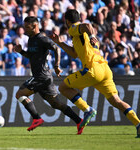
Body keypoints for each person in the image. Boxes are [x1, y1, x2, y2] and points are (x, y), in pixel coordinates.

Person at [50, 9, 140, 138]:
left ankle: (87, 110)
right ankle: (138, 124)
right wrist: (59, 43)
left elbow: (87, 25)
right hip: (105, 70)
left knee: (63, 87)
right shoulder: (81, 35)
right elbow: (74, 54)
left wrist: (92, 36)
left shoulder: (74, 28)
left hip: (92, 70)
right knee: (116, 100)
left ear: (67, 21)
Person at [14, 16, 84, 134]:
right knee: (56, 104)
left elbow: (56, 48)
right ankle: (78, 120)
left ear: (35, 26)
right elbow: (32, 57)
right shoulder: (31, 39)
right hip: (44, 77)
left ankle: (36, 118)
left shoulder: (42, 39)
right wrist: (21, 51)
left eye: (27, 27)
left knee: (20, 94)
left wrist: (57, 66)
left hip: (40, 76)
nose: (25, 30)